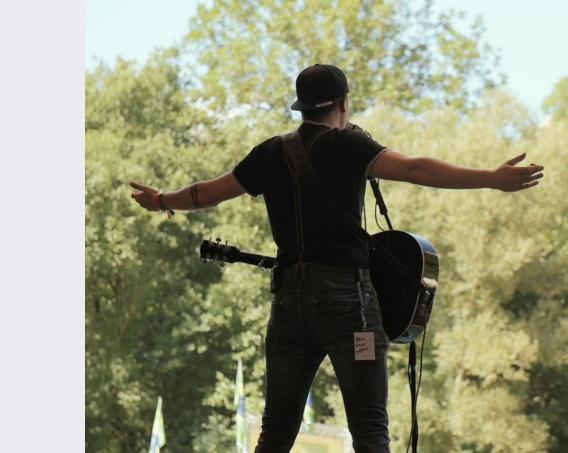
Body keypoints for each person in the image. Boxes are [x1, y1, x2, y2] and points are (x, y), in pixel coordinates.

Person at [130, 63, 543, 453]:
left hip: (288, 306)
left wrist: (161, 200)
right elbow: (416, 169)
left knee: (275, 432)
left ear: (302, 106)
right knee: (369, 431)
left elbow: (206, 193)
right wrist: (490, 179)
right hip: (349, 308)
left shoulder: (270, 153)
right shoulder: (348, 144)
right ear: (343, 103)